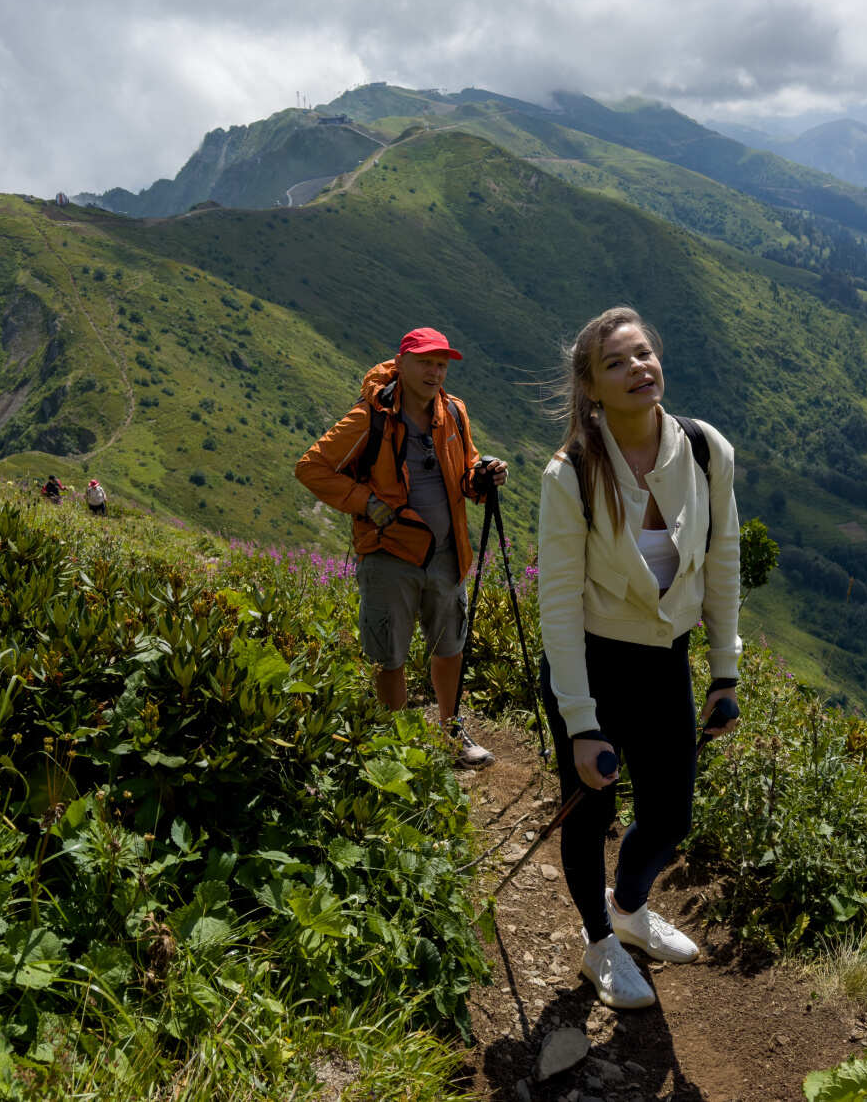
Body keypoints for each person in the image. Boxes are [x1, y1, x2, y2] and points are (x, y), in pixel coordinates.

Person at [536, 306, 742, 1010]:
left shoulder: (706, 450)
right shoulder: (570, 474)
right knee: (589, 813)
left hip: (665, 662)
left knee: (671, 816)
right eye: (617, 362)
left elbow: (723, 562)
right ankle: (600, 943)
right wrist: (580, 720)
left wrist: (724, 670)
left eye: (644, 353)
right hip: (593, 663)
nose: (638, 368)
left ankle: (627, 903)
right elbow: (558, 606)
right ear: (590, 386)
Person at [296, 327, 509, 768]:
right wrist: (366, 504)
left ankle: (451, 733)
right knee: (388, 654)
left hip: (447, 553)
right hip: (388, 554)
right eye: (426, 362)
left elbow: (464, 466)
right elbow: (312, 468)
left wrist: (482, 475)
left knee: (450, 647)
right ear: (403, 363)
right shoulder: (370, 418)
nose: (435, 372)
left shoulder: (453, 412)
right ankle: (393, 747)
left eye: (442, 364)